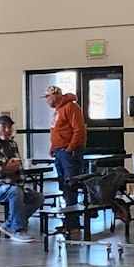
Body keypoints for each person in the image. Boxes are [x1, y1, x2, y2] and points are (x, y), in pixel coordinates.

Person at [0, 114, 40, 241]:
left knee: (38, 197)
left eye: (9, 127)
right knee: (15, 192)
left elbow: (18, 167)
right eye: (3, 127)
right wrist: (5, 169)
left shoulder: (12, 144)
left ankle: (8, 225)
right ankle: (18, 230)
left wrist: (21, 182)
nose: (7, 130)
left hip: (12, 185)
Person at [45, 83, 87, 211]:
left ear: (55, 95)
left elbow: (79, 130)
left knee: (71, 184)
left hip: (69, 152)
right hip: (59, 152)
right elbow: (58, 131)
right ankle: (68, 215)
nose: (46, 100)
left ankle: (72, 218)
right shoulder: (57, 110)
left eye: (47, 97)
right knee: (63, 183)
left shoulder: (71, 107)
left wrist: (70, 148)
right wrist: (53, 147)